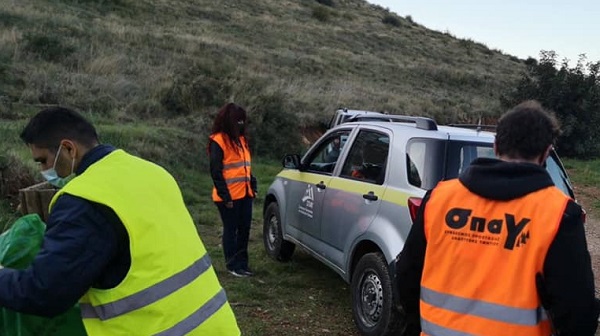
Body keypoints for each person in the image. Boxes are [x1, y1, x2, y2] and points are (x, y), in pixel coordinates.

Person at [0, 107, 240, 335]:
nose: (43, 170)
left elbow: (45, 292)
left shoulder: (84, 201)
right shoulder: (151, 171)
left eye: (42, 160)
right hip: (216, 325)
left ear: (68, 149)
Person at [395, 100, 599, 336]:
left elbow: (407, 274)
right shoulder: (559, 213)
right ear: (546, 152)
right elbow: (578, 313)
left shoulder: (439, 199)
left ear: (495, 145)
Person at [208, 103, 257, 278]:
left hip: (245, 194)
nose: (242, 124)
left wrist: (253, 184)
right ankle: (232, 265)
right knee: (231, 230)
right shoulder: (218, 141)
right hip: (228, 196)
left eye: (244, 121)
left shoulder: (242, 140)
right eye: (239, 121)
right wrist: (225, 196)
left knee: (244, 230)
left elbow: (246, 166)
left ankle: (243, 263)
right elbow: (216, 171)